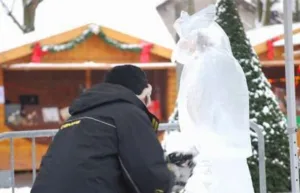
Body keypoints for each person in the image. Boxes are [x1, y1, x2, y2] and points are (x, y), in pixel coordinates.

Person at [31, 65, 174, 193]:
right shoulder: (128, 113)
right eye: (147, 98)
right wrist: (168, 182)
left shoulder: (74, 119)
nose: (146, 105)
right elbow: (147, 174)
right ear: (139, 94)